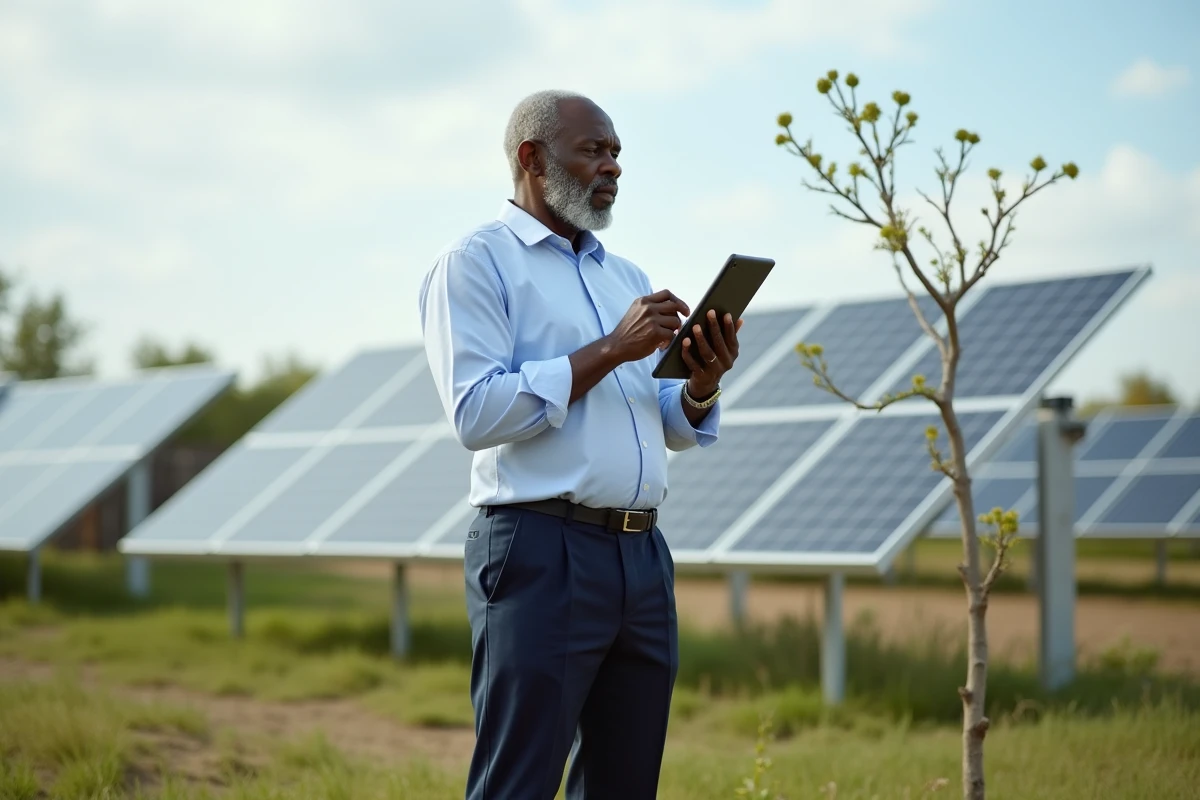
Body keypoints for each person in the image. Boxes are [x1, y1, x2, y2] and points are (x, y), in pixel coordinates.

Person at [418, 89, 745, 800]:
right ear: (532, 159)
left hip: (641, 558)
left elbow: (666, 420)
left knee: (624, 785)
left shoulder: (621, 274)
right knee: (520, 782)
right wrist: (611, 348)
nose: (613, 168)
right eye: (594, 150)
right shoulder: (476, 263)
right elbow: (475, 412)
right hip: (540, 551)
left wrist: (701, 383)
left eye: (617, 153)